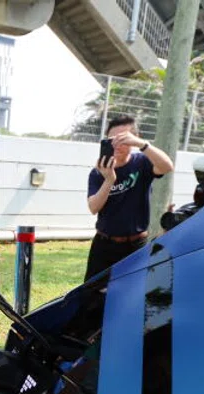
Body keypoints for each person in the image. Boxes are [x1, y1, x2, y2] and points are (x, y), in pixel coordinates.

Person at [84, 114, 174, 281]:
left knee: (133, 293)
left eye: (123, 139)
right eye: (112, 139)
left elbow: (167, 166)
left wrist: (143, 145)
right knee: (93, 296)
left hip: (135, 244)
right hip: (104, 243)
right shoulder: (98, 172)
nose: (117, 144)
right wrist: (109, 179)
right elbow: (93, 207)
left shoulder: (142, 162)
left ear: (134, 139)